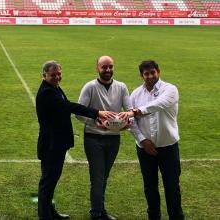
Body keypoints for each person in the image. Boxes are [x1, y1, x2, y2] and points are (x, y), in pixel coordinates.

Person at [36, 60, 115, 220]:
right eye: (53, 75)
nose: (57, 77)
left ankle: (50, 212)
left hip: (55, 144)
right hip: (51, 146)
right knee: (48, 182)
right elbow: (69, 106)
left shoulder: (52, 88)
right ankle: (45, 216)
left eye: (59, 73)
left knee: (51, 182)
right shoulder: (47, 92)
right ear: (44, 75)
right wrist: (97, 112)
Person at [121, 60, 184, 220]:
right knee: (150, 187)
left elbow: (159, 104)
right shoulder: (135, 94)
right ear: (141, 76)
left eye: (152, 72)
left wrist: (136, 111)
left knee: (172, 186)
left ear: (159, 72)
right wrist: (142, 140)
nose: (150, 76)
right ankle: (153, 216)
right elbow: (132, 122)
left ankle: (176, 217)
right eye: (146, 73)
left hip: (168, 147)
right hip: (144, 149)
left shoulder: (170, 89)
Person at [76, 55, 132, 220]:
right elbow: (79, 112)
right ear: (97, 69)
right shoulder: (90, 87)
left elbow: (130, 110)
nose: (108, 70)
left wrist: (127, 122)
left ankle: (100, 209)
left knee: (103, 177)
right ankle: (96, 213)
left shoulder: (121, 87)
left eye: (110, 67)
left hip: (114, 139)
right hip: (94, 138)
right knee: (97, 177)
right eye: (104, 67)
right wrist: (96, 123)